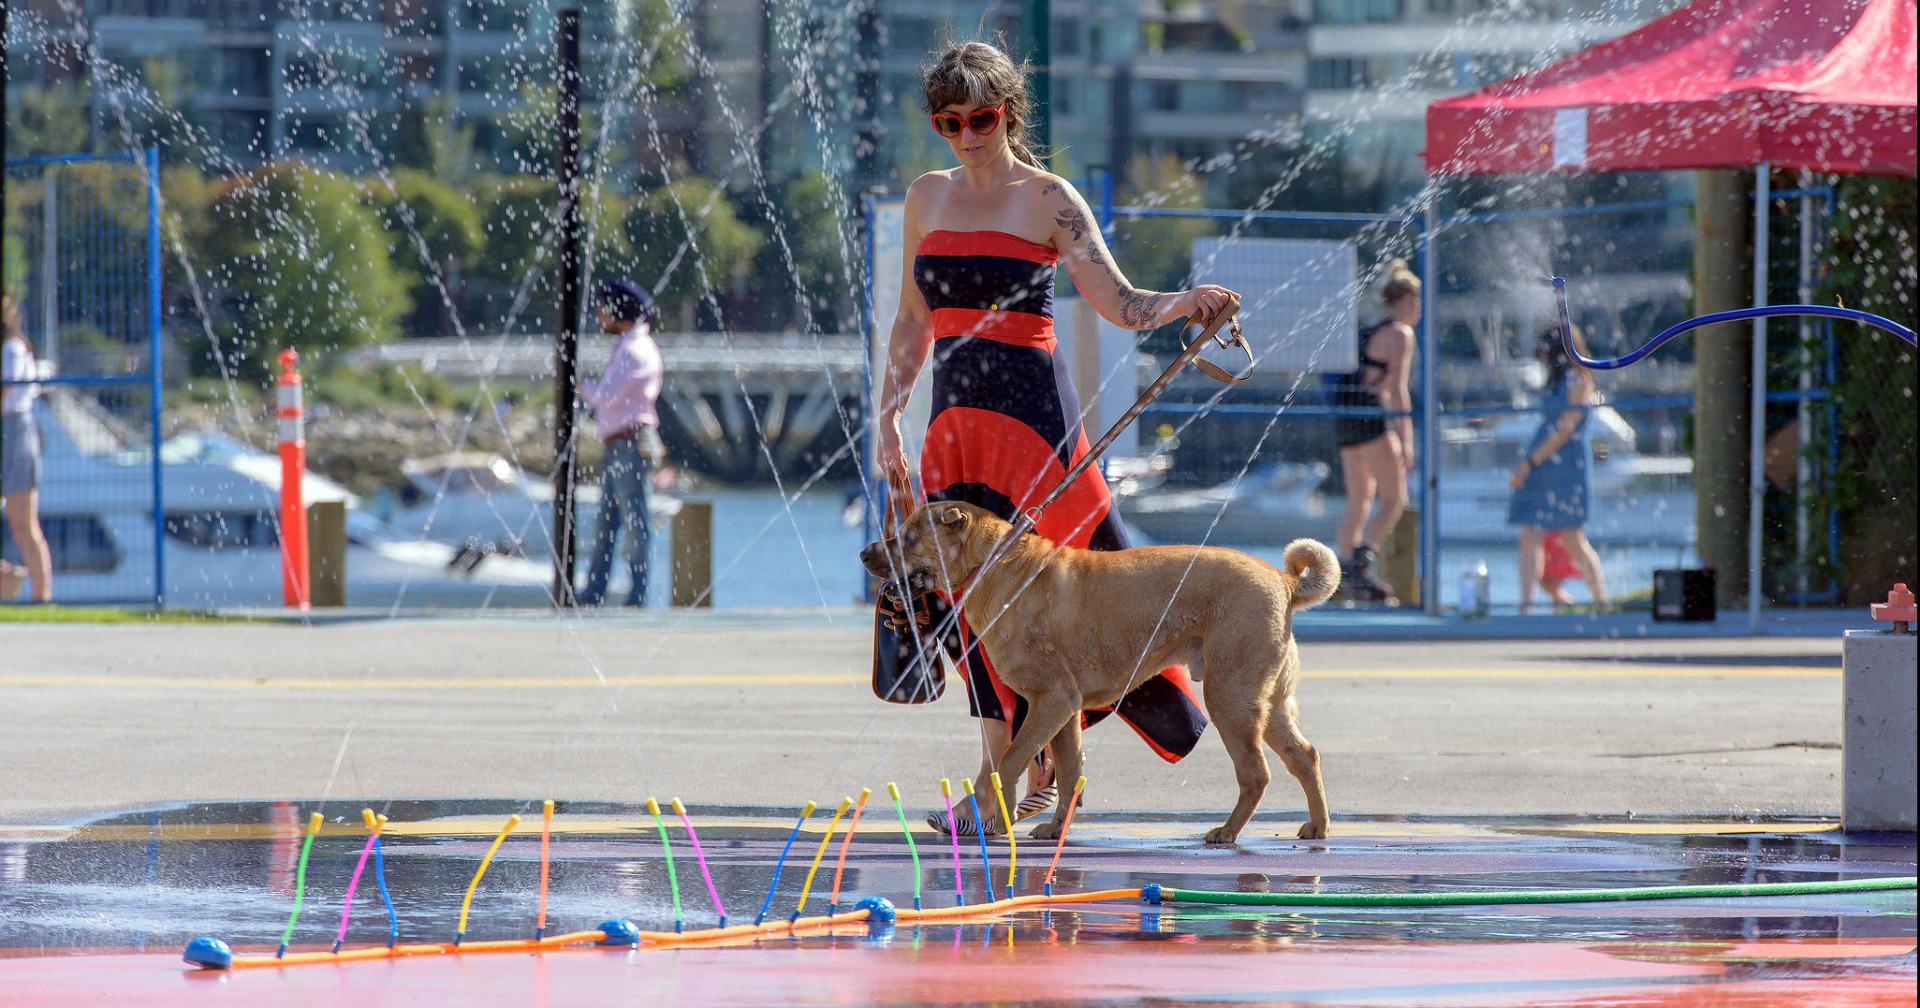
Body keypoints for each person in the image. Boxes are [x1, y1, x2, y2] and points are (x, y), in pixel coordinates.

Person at [874, 40, 1241, 836]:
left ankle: (1011, 785)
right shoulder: (925, 198)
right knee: (968, 609)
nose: (968, 135)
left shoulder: (1048, 197)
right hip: (955, 426)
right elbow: (911, 322)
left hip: (1034, 423)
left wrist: (1187, 302)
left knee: (1085, 592)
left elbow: (1119, 300)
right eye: (950, 122)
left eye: (982, 117)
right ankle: (1011, 781)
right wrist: (887, 419)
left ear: (1008, 111)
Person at [1327, 260, 1418, 601]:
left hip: (1346, 417)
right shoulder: (1400, 334)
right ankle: (1361, 563)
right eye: (1415, 301)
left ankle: (1342, 572)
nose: (1418, 309)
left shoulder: (1371, 327)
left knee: (1360, 500)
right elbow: (1397, 390)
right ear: (1407, 301)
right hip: (1369, 418)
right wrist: (1406, 440)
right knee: (1395, 497)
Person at [1509, 325, 1610, 613]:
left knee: (1572, 536)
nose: (1542, 355)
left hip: (1564, 466)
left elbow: (1566, 429)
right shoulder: (1555, 381)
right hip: (1542, 462)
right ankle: (1526, 605)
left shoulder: (1579, 379)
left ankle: (1602, 600)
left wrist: (1529, 463)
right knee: (1530, 533)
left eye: (1547, 349)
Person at [577, 279, 665, 608]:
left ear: (617, 309)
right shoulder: (634, 345)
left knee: (633, 522)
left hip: (628, 443)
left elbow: (607, 396)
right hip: (623, 444)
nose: (599, 315)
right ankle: (595, 591)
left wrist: (578, 384)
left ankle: (635, 594)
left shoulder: (633, 349)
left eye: (602, 307)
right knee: (610, 523)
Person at [2, 291, 53, 603]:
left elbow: (6, 391)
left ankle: (42, 597)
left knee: (24, 525)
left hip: (14, 432)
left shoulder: (13, 348)